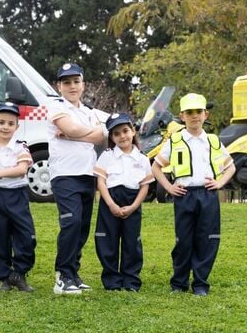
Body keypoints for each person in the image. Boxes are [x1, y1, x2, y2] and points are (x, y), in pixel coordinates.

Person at [152, 93, 236, 296]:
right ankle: (179, 283)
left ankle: (200, 283)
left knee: (207, 239)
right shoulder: (176, 140)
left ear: (206, 114)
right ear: (182, 116)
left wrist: (220, 183)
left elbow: (230, 166)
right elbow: (156, 167)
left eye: (198, 111)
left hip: (207, 195)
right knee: (184, 240)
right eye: (189, 112)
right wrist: (170, 187)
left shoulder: (213, 141)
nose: (194, 116)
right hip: (184, 195)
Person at [48, 62, 106, 295]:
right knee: (70, 222)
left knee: (81, 227)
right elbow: (76, 130)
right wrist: (82, 132)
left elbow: (100, 136)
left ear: (83, 84)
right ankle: (62, 277)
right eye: (66, 82)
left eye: (76, 81)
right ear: (59, 86)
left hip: (86, 174)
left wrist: (73, 135)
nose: (72, 86)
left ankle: (73, 272)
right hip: (64, 175)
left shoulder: (89, 112)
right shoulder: (55, 106)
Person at [93, 113, 153, 291]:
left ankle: (131, 280)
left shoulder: (142, 159)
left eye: (125, 131)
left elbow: (144, 186)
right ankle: (111, 280)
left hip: (132, 201)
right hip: (110, 201)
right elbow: (101, 182)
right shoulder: (107, 156)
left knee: (131, 242)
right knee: (107, 242)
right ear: (111, 137)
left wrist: (134, 206)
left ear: (133, 131)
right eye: (116, 133)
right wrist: (110, 204)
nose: (122, 136)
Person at [0, 102, 36, 292]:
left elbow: (22, 170)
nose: (5, 127)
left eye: (11, 123)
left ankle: (19, 273)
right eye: (1, 122)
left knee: (26, 235)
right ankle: (4, 276)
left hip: (18, 195)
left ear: (17, 127)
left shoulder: (21, 146)